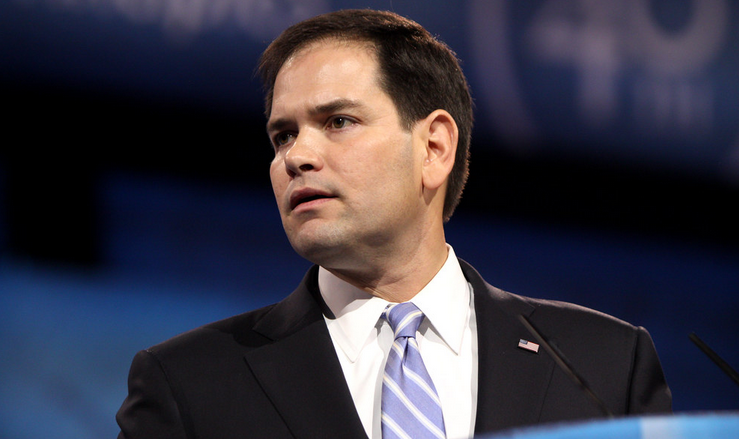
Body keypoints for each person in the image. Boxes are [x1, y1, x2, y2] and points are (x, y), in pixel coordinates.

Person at [116, 9, 671, 439]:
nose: (296, 157)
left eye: (338, 121)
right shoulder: (188, 384)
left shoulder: (604, 364)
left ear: (434, 147)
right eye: (283, 135)